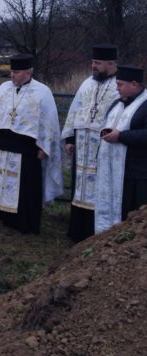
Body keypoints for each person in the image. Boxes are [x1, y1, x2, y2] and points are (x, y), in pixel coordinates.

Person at [0, 54, 63, 234]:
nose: (12, 75)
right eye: (11, 71)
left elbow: (49, 121)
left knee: (26, 187)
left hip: (27, 149)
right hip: (3, 145)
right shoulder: (4, 88)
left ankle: (23, 223)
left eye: (16, 72)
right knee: (1, 182)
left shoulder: (42, 91)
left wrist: (44, 146)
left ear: (28, 72)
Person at [62, 44, 119, 242]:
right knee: (80, 186)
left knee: (99, 185)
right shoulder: (87, 83)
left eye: (97, 63)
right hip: (82, 144)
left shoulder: (119, 85)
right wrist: (70, 138)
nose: (93, 66)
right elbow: (75, 110)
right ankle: (77, 231)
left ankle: (97, 231)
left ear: (111, 63)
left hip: (103, 145)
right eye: (93, 62)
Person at [95, 65, 147, 234]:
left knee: (132, 215)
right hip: (112, 169)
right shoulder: (117, 104)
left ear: (134, 84)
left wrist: (121, 136)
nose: (116, 88)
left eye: (120, 84)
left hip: (137, 173)